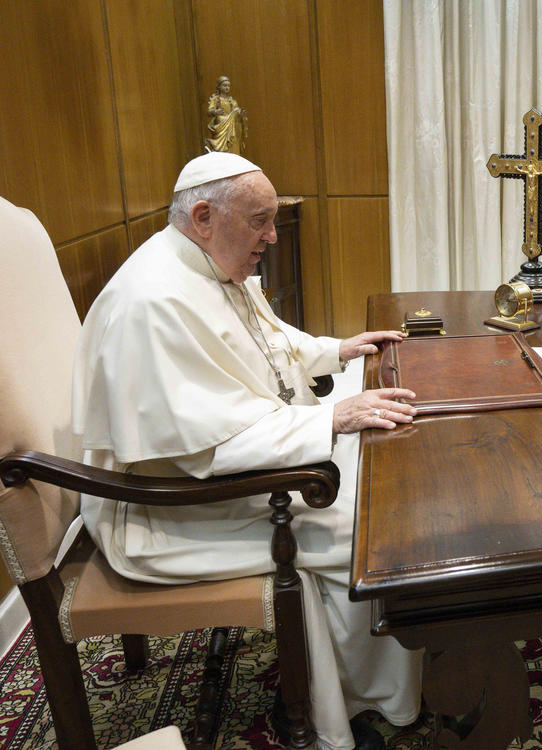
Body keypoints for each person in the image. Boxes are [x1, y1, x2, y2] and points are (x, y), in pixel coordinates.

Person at [72, 152, 420, 750]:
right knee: (373, 531)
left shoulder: (204, 266)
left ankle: (382, 672)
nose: (271, 235)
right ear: (204, 216)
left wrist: (335, 351)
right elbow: (205, 449)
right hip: (164, 511)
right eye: (260, 220)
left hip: (216, 474)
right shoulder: (153, 302)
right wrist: (329, 421)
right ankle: (365, 706)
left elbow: (266, 339)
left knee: (384, 463)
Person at [205, 76, 248, 154]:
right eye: (224, 85)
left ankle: (234, 149)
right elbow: (209, 111)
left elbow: (236, 111)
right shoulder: (216, 99)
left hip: (231, 122)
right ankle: (217, 145)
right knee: (228, 117)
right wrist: (216, 112)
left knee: (236, 117)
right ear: (219, 86)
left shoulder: (232, 100)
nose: (227, 87)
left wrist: (241, 114)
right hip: (221, 121)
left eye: (228, 86)